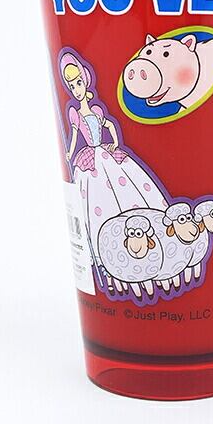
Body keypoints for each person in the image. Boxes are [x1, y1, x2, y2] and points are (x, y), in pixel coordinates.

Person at [60, 52, 168, 271]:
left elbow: (108, 126)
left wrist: (115, 143)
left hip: (105, 153)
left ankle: (151, 241)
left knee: (128, 191)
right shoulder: (74, 113)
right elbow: (74, 136)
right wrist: (70, 153)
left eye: (79, 83)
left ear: (85, 81)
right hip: (90, 159)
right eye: (72, 86)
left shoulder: (96, 110)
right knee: (95, 201)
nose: (76, 89)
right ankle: (104, 252)